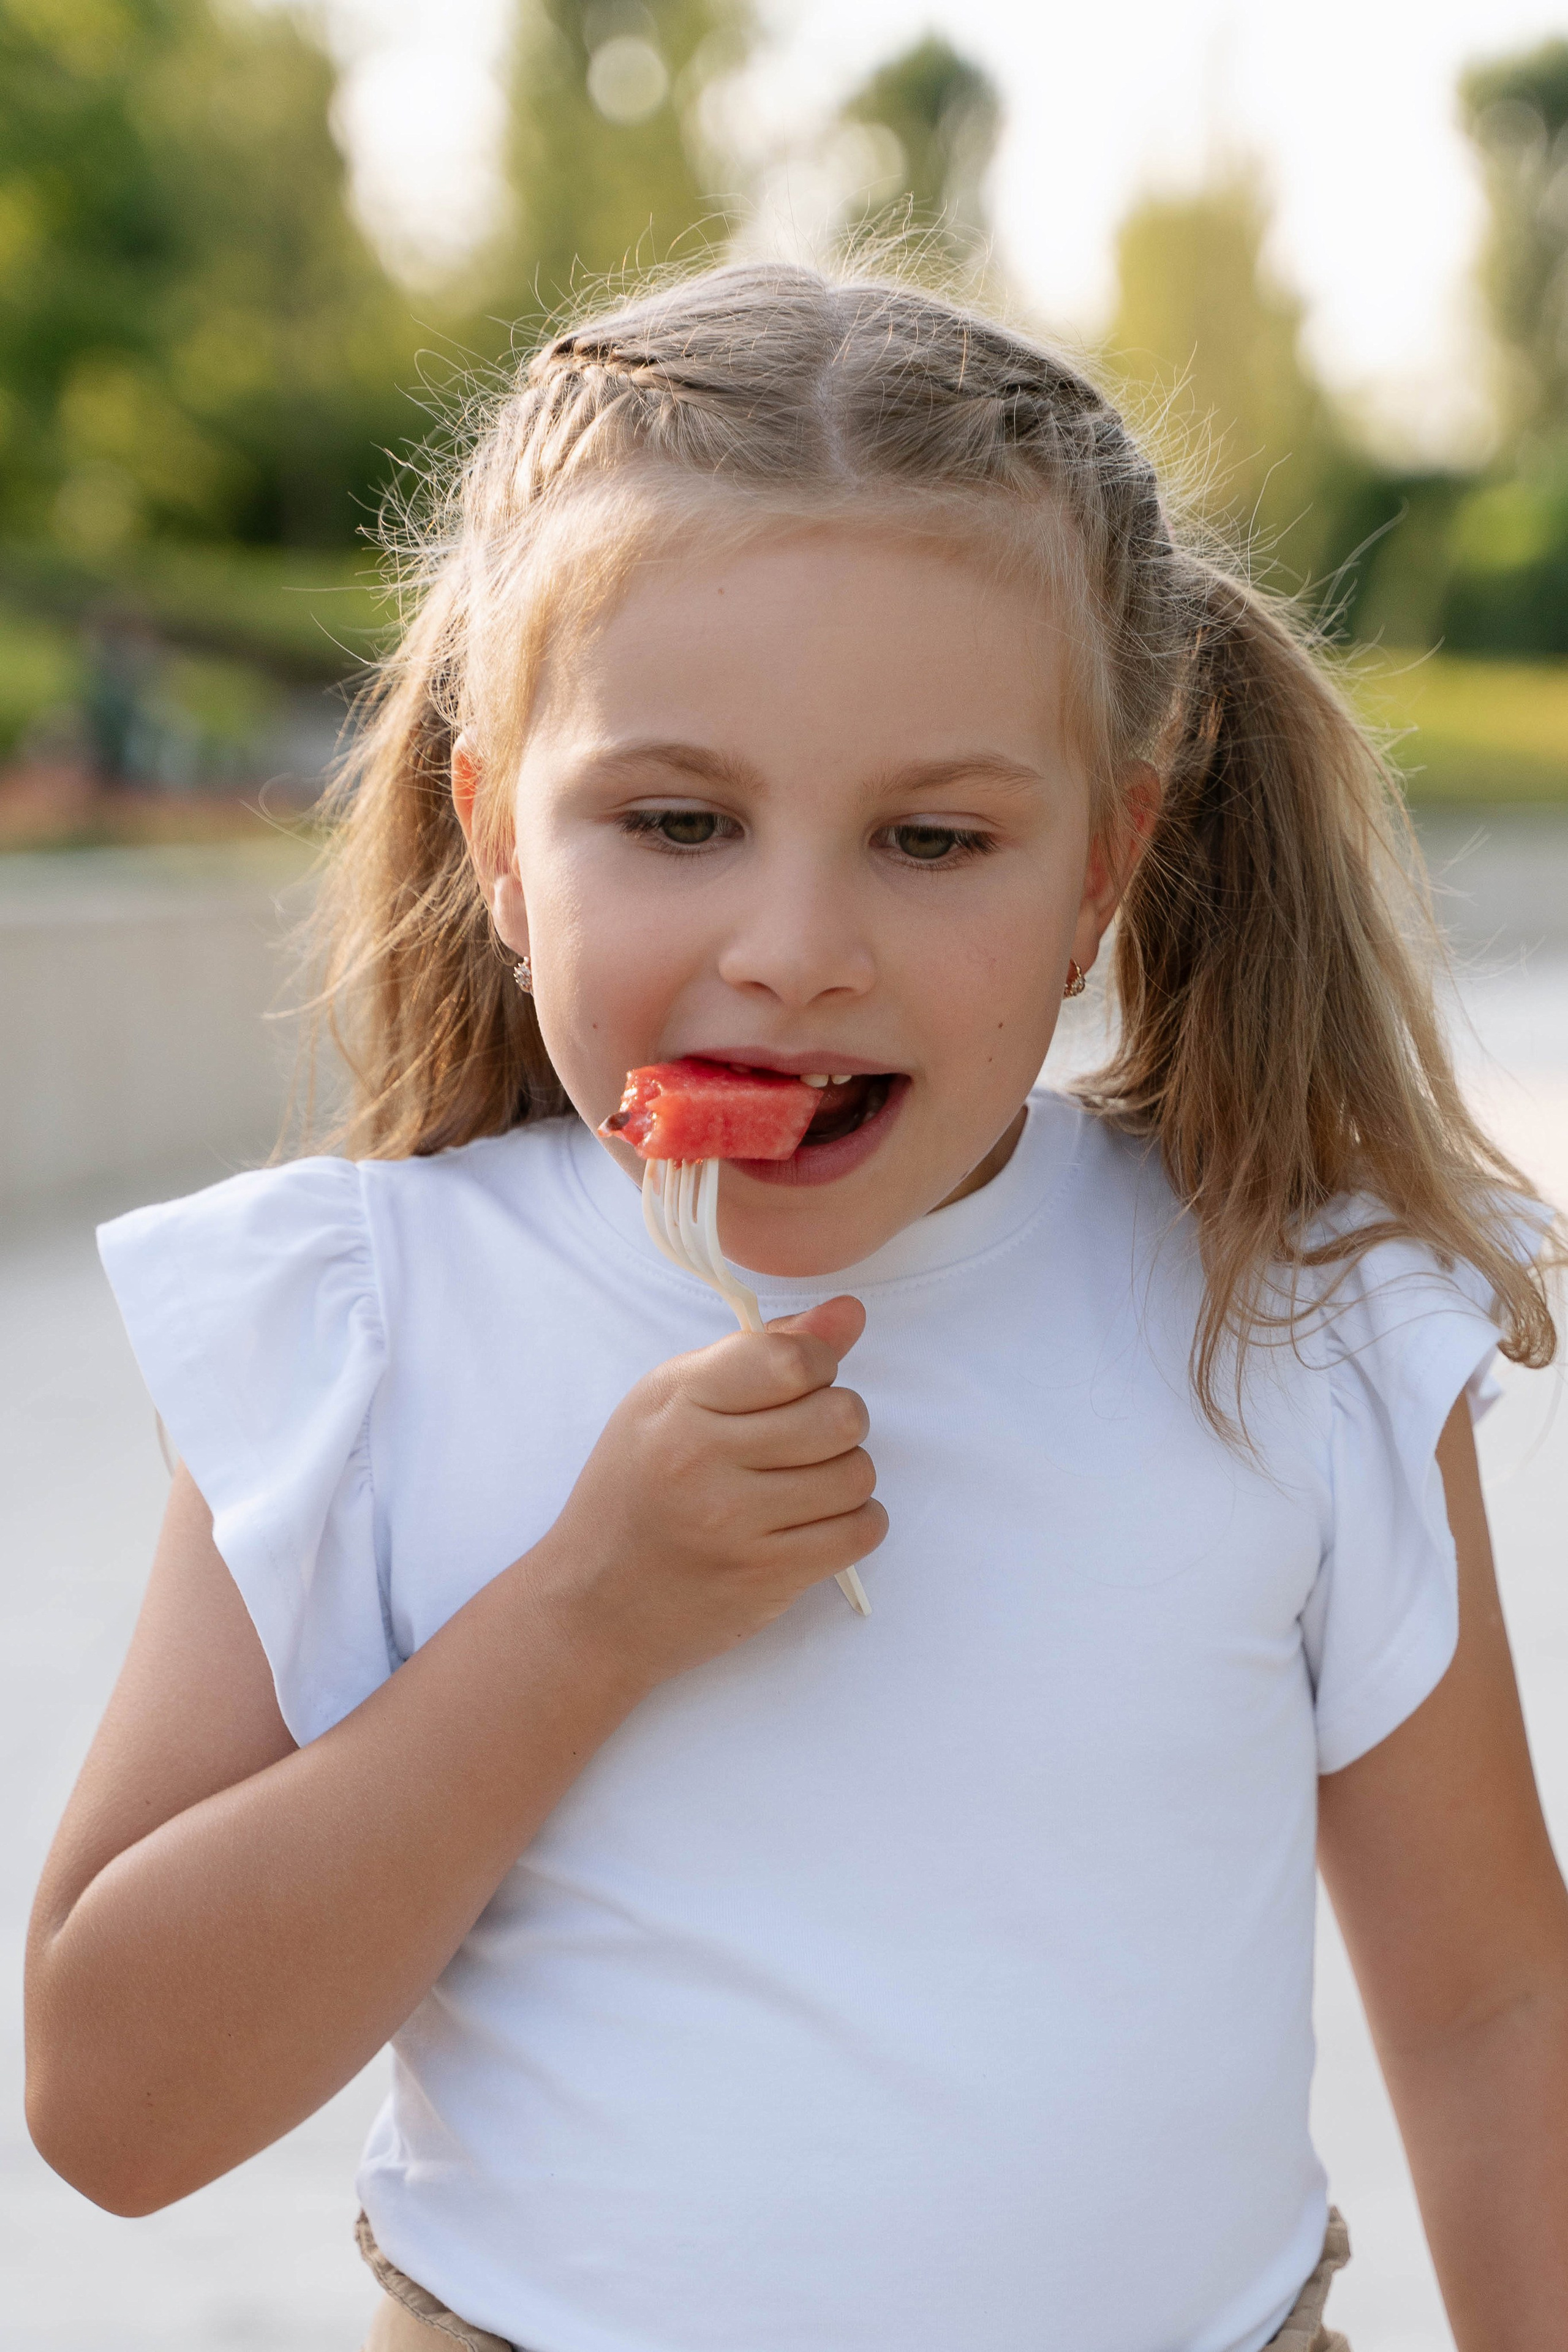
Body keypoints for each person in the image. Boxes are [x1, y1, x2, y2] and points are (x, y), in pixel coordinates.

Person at [24, 263, 1568, 2352]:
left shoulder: (1283, 1323)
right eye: (676, 824)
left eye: (934, 838)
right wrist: (582, 1617)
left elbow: (1492, 2018)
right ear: (494, 834)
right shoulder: (364, 1330)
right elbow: (110, 2103)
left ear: (1108, 863)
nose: (795, 947)